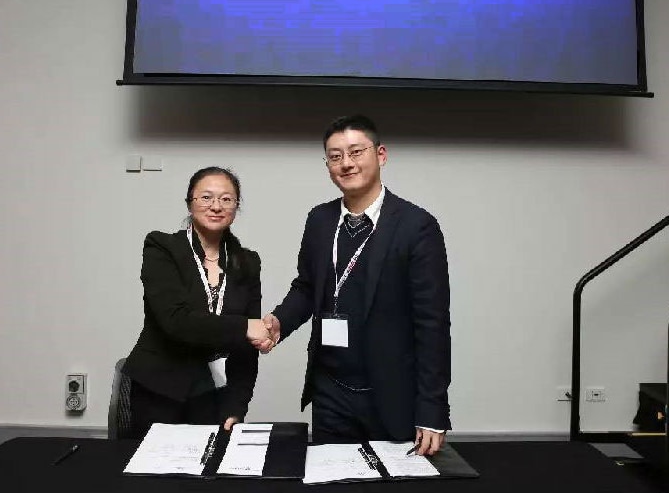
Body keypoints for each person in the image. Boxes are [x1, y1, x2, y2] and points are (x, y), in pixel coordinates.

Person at [254, 115, 450, 454]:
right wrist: (278, 322)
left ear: (381, 155)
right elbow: (306, 287)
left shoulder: (417, 226)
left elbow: (432, 324)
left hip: (390, 392)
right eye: (335, 156)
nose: (346, 163)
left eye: (356, 151)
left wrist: (432, 409)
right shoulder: (319, 219)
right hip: (329, 388)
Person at [123, 167, 270, 438]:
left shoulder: (248, 262)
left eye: (227, 199)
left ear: (236, 207)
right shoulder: (162, 247)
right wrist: (244, 327)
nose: (216, 206)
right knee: (153, 477)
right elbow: (176, 321)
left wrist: (238, 404)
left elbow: (247, 347)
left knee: (211, 476)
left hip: (214, 397)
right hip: (159, 390)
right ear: (190, 203)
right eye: (206, 197)